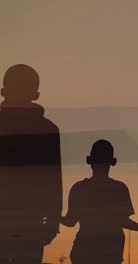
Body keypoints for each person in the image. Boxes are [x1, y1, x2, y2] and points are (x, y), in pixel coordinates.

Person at [61, 140, 138, 264]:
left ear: (89, 160)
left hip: (83, 251)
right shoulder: (119, 188)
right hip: (111, 253)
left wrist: (54, 217)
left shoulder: (78, 188)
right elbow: (122, 221)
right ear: (113, 162)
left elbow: (70, 221)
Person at [0, 64, 62, 263]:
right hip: (32, 223)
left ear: (3, 92)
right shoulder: (48, 129)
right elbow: (53, 179)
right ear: (36, 94)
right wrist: (53, 220)